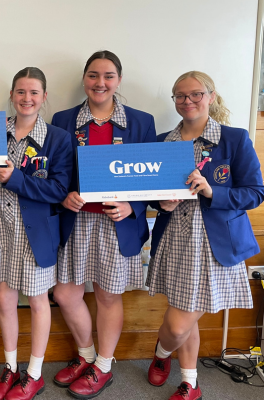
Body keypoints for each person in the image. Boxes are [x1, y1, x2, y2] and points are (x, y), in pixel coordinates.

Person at [145, 71, 264, 400]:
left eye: (196, 94)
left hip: (215, 244)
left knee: (179, 324)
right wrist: (160, 202)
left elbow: (255, 193)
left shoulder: (234, 139)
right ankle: (190, 381)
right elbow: (148, 192)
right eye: (180, 96)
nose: (188, 101)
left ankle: (161, 353)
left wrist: (214, 191)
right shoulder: (161, 142)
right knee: (185, 316)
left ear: (211, 96)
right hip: (174, 240)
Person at [50, 50, 156, 399]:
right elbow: (56, 171)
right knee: (66, 293)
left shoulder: (141, 122)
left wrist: (133, 204)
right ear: (84, 78)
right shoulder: (64, 119)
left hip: (116, 223)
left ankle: (104, 367)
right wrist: (64, 196)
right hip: (77, 220)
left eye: (108, 76)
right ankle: (87, 356)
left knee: (109, 295)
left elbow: (152, 176)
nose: (100, 82)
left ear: (119, 80)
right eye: (94, 75)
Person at [0, 67, 72, 400]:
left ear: (43, 97)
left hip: (34, 231)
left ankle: (34, 374)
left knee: (40, 301)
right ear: (12, 96)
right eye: (20, 92)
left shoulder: (57, 137)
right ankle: (10, 367)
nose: (26, 99)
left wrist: (15, 178)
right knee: (4, 298)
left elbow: (57, 189)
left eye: (34, 93)